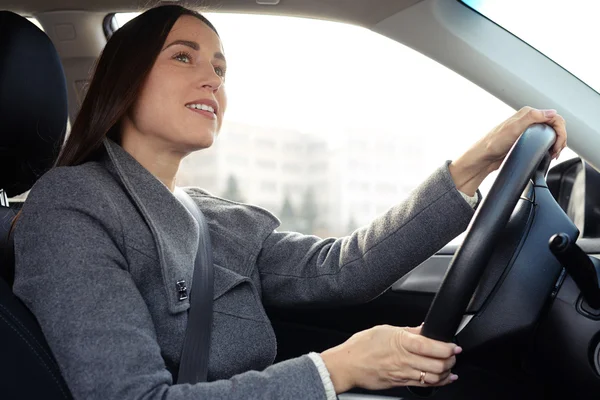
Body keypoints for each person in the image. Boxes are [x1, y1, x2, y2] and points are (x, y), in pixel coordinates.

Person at [12, 5, 567, 400]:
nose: (213, 78)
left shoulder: (213, 216)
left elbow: (343, 269)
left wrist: (478, 162)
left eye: (221, 68)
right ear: (123, 81)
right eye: (185, 57)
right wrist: (338, 369)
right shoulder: (70, 207)